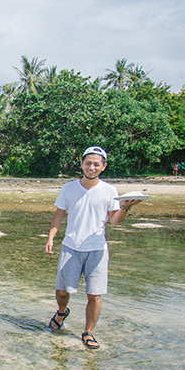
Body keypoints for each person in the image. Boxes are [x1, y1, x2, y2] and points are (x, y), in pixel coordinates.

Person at [45, 146, 142, 349]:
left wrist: (126, 207)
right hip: (71, 246)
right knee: (62, 291)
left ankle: (88, 332)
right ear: (81, 164)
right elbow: (59, 214)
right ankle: (62, 311)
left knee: (94, 294)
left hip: (97, 249)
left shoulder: (109, 191)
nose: (91, 167)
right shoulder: (69, 188)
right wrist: (51, 237)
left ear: (103, 167)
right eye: (88, 163)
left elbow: (114, 221)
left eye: (96, 164)